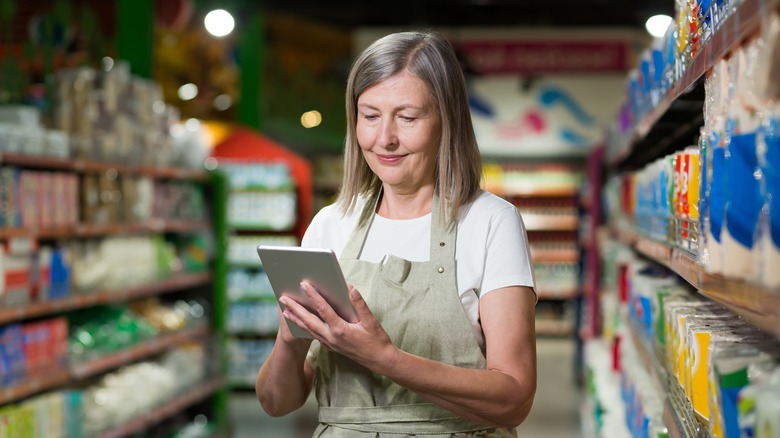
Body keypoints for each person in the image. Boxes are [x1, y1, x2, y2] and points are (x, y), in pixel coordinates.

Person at [256, 30, 537, 437]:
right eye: (370, 116)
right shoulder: (331, 225)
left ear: (448, 120)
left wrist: (384, 358)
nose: (384, 139)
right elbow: (275, 402)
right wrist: (290, 337)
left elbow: (513, 399)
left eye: (407, 117)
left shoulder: (490, 222)